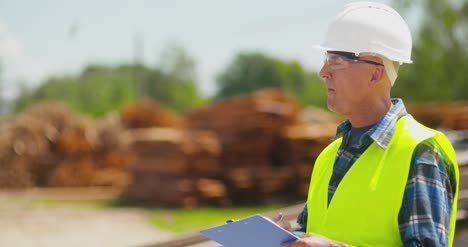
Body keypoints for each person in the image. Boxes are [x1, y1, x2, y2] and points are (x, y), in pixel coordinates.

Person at [283, 2, 459, 247]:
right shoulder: (329, 156)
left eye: (337, 60)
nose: (323, 71)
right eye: (327, 58)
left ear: (375, 73)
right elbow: (319, 231)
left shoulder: (420, 152)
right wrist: (290, 239)